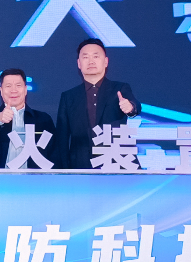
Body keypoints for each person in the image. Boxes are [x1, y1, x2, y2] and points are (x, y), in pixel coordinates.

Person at [52, 38, 141, 169]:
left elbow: (136, 106)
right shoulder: (68, 96)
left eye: (96, 56)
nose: (91, 61)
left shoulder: (119, 88)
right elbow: (62, 138)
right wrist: (65, 170)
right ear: (79, 64)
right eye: (85, 57)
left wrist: (130, 107)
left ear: (106, 62)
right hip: (81, 165)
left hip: (116, 161)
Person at [0, 68, 56, 169]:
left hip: (35, 177)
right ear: (1, 91)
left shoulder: (43, 119)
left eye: (18, 85)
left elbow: (54, 153)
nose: (13, 90)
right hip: (1, 177)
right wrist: (0, 119)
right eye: (8, 86)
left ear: (25, 89)